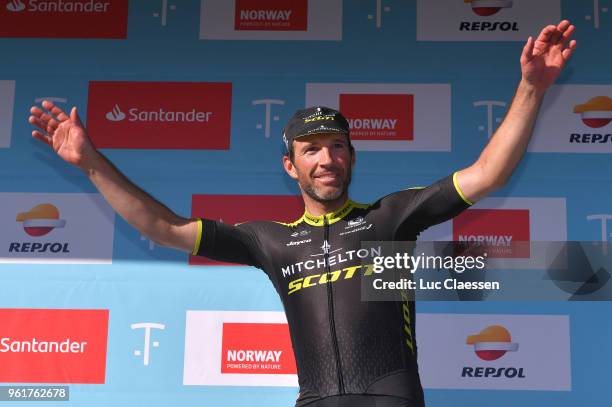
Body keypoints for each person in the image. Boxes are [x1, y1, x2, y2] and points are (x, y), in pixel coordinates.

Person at [28, 21, 576, 407]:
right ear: (290, 166)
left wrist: (530, 87)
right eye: (311, 149)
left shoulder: (392, 218)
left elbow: (487, 175)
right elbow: (165, 228)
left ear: (352, 156)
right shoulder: (270, 240)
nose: (326, 159)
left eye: (337, 146)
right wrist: (91, 162)